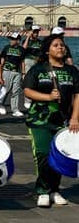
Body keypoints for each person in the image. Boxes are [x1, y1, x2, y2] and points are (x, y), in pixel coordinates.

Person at [23, 34, 79, 208]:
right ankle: (42, 190)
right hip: (39, 120)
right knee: (43, 154)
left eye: (62, 45)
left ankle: (54, 189)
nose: (60, 48)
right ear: (48, 50)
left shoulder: (72, 71)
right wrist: (47, 96)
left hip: (62, 121)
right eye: (55, 45)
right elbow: (27, 91)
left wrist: (75, 118)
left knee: (59, 155)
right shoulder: (38, 69)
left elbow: (77, 95)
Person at [0, 32, 25, 117]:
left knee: (16, 91)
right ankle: (1, 104)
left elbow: (22, 62)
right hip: (7, 71)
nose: (11, 41)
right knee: (6, 89)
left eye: (13, 39)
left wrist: (23, 73)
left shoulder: (21, 49)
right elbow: (2, 60)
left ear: (18, 40)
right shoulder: (7, 48)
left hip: (17, 72)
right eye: (11, 39)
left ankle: (15, 109)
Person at [23, 25, 42, 109]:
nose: (36, 34)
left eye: (37, 32)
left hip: (37, 63)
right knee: (29, 81)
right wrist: (28, 37)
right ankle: (27, 100)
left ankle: (35, 99)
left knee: (37, 81)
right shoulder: (26, 41)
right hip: (28, 61)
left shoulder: (40, 42)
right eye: (34, 32)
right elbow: (23, 48)